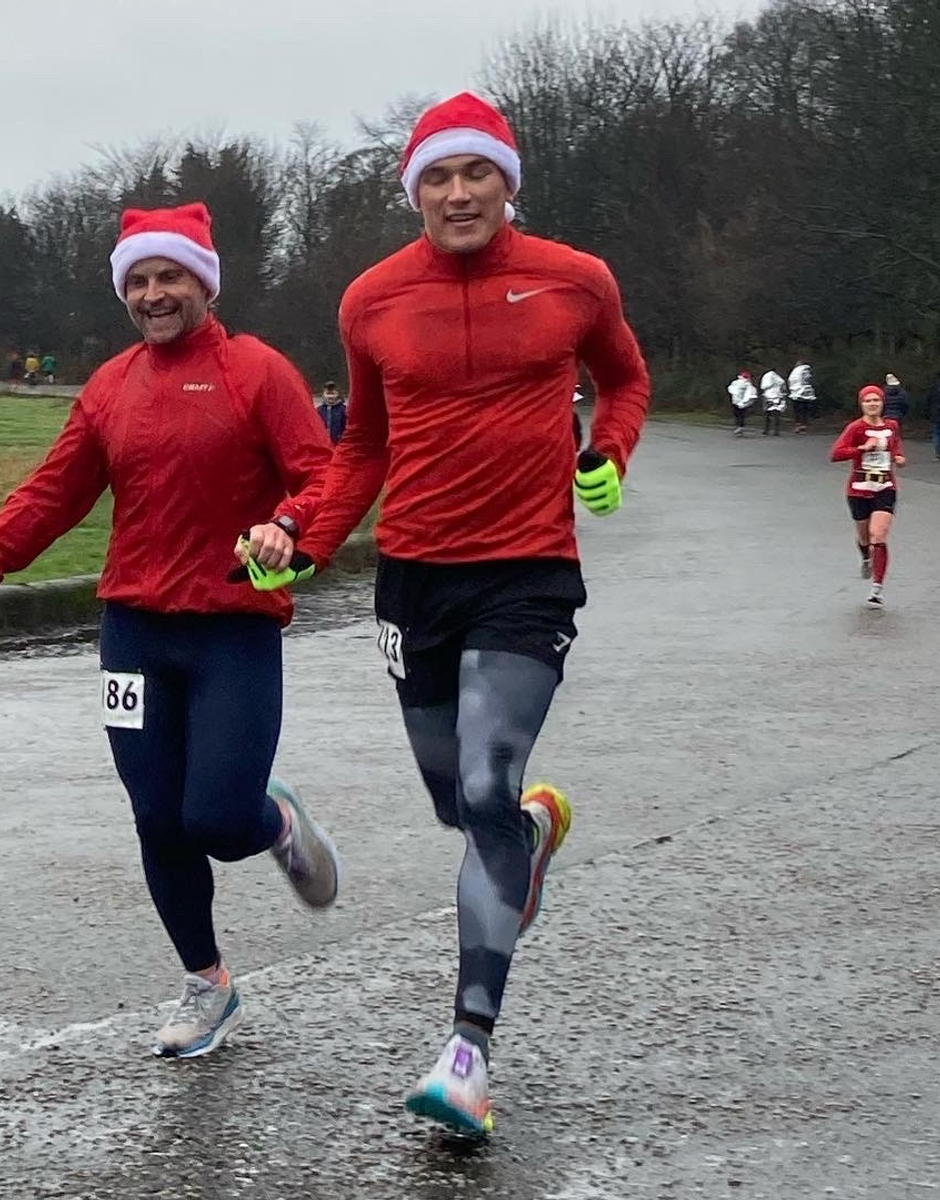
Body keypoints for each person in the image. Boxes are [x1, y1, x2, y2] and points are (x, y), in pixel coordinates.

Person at [292, 92, 650, 1135]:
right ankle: (529, 832)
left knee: (485, 784)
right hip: (414, 578)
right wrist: (306, 539)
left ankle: (465, 1052)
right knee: (463, 809)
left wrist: (608, 454)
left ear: (507, 181)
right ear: (414, 192)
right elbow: (360, 445)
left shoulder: (574, 280)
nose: (457, 193)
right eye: (437, 177)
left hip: (526, 574)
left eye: (475, 173)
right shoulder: (369, 300)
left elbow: (625, 382)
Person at [0, 202, 341, 1060]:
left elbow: (325, 475)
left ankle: (274, 825)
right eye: (138, 280)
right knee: (156, 817)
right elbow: (51, 497)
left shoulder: (256, 371)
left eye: (169, 276)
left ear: (203, 283)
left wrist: (288, 526)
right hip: (135, 634)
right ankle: (206, 982)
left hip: (231, 629)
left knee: (216, 816)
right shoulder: (111, 387)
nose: (153, 294)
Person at [830, 384, 904, 607]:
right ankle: (865, 557)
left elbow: (896, 447)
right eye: (868, 401)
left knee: (878, 535)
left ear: (882, 403)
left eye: (876, 400)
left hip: (885, 487)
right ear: (862, 404)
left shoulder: (892, 425)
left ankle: (877, 588)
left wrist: (899, 457)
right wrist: (862, 449)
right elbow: (835, 454)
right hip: (859, 489)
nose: (872, 404)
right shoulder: (855, 428)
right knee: (864, 538)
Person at [788, 358, 817, 433]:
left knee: (798, 410)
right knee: (804, 410)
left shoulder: (795, 371)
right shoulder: (806, 370)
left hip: (796, 393)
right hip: (806, 392)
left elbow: (790, 381)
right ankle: (803, 425)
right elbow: (809, 379)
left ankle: (799, 425)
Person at [728, 370, 757, 436]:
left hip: (736, 401)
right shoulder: (748, 385)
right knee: (741, 415)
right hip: (743, 403)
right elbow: (751, 394)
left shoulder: (736, 383)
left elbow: (731, 389)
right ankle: (740, 427)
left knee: (737, 415)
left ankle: (738, 427)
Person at [759, 367, 786, 436]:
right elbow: (783, 386)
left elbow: (763, 386)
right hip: (777, 396)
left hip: (768, 396)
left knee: (767, 413)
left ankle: (766, 430)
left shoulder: (766, 376)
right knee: (776, 413)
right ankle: (776, 430)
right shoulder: (779, 378)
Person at [927, 370, 940, 460]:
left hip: (935, 414)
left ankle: (938, 453)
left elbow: (929, 401)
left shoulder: (934, 388)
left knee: (936, 434)